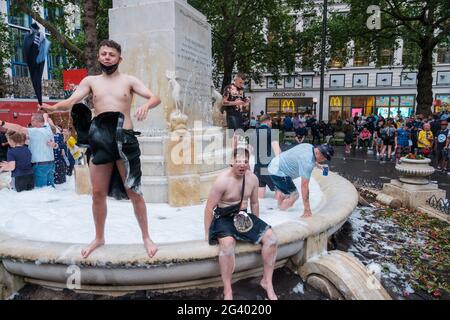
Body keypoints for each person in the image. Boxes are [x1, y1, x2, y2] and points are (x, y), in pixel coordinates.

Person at [39, 39, 161, 259]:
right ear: (98, 56)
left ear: (119, 58)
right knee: (97, 193)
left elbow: (155, 97)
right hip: (100, 140)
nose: (107, 57)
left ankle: (146, 236)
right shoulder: (91, 81)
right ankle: (99, 237)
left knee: (134, 190)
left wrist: (145, 104)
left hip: (124, 139)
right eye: (103, 53)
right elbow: (71, 101)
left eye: (111, 54)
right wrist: (53, 107)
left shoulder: (129, 80)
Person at [204, 148, 278, 300]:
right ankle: (228, 290)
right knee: (227, 246)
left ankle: (267, 282)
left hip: (243, 216)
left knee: (272, 239)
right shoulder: (222, 181)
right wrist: (207, 233)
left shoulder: (253, 179)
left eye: (245, 161)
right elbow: (209, 207)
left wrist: (256, 227)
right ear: (232, 162)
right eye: (238, 161)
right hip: (224, 218)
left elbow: (255, 203)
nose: (242, 164)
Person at [268, 143, 334, 218]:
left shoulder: (309, 146)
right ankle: (280, 214)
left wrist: (318, 165)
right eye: (324, 158)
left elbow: (303, 156)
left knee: (285, 192)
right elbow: (304, 187)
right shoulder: (307, 163)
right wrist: (307, 209)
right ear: (318, 153)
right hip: (278, 172)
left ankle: (279, 208)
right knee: (294, 195)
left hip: (274, 164)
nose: (324, 160)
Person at [1, 113, 55, 187]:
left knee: (41, 191)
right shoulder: (48, 128)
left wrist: (2, 123)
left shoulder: (36, 131)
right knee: (50, 188)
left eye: (32, 120)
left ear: (37, 121)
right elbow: (46, 121)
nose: (31, 123)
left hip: (40, 166)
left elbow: (19, 128)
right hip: (50, 164)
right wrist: (45, 116)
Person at [251, 115, 282, 198]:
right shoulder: (271, 132)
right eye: (271, 121)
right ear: (268, 121)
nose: (271, 123)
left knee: (260, 197)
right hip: (269, 167)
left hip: (257, 168)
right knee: (280, 190)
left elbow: (250, 151)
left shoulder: (253, 133)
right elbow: (277, 151)